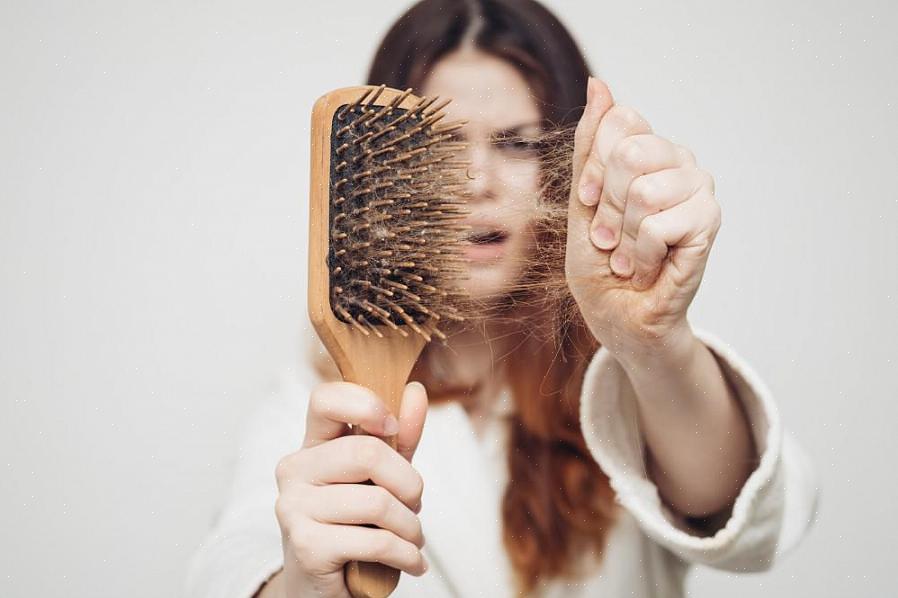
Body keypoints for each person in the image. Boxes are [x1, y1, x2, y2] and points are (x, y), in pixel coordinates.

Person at [185, 1, 819, 596]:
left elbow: (745, 516)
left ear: (571, 164)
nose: (476, 182)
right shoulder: (314, 406)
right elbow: (235, 558)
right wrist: (302, 583)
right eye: (441, 144)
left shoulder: (627, 389)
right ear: (378, 174)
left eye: (515, 142)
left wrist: (653, 341)